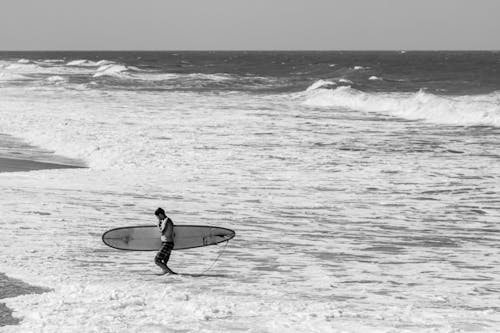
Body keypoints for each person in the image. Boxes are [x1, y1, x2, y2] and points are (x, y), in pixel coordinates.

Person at [154, 207, 176, 275]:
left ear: (160, 214)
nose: (157, 218)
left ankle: (172, 273)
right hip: (167, 243)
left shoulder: (166, 220)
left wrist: (158, 225)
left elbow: (162, 231)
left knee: (157, 260)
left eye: (157, 217)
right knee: (164, 262)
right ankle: (167, 274)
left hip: (167, 243)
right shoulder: (165, 221)